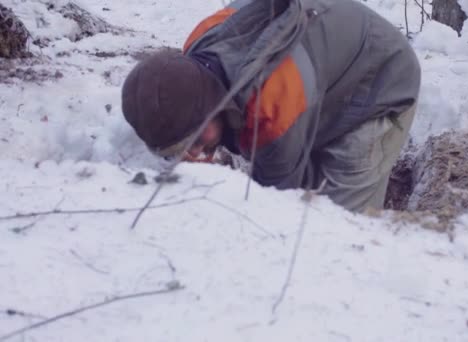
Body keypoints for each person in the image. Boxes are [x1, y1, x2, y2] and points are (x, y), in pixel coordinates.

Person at [121, 0, 421, 212]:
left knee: (340, 228)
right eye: (176, 152)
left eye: (195, 141)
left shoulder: (271, 106)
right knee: (302, 176)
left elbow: (277, 208)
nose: (193, 155)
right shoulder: (197, 49)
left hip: (381, 79)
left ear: (214, 106)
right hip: (326, 66)